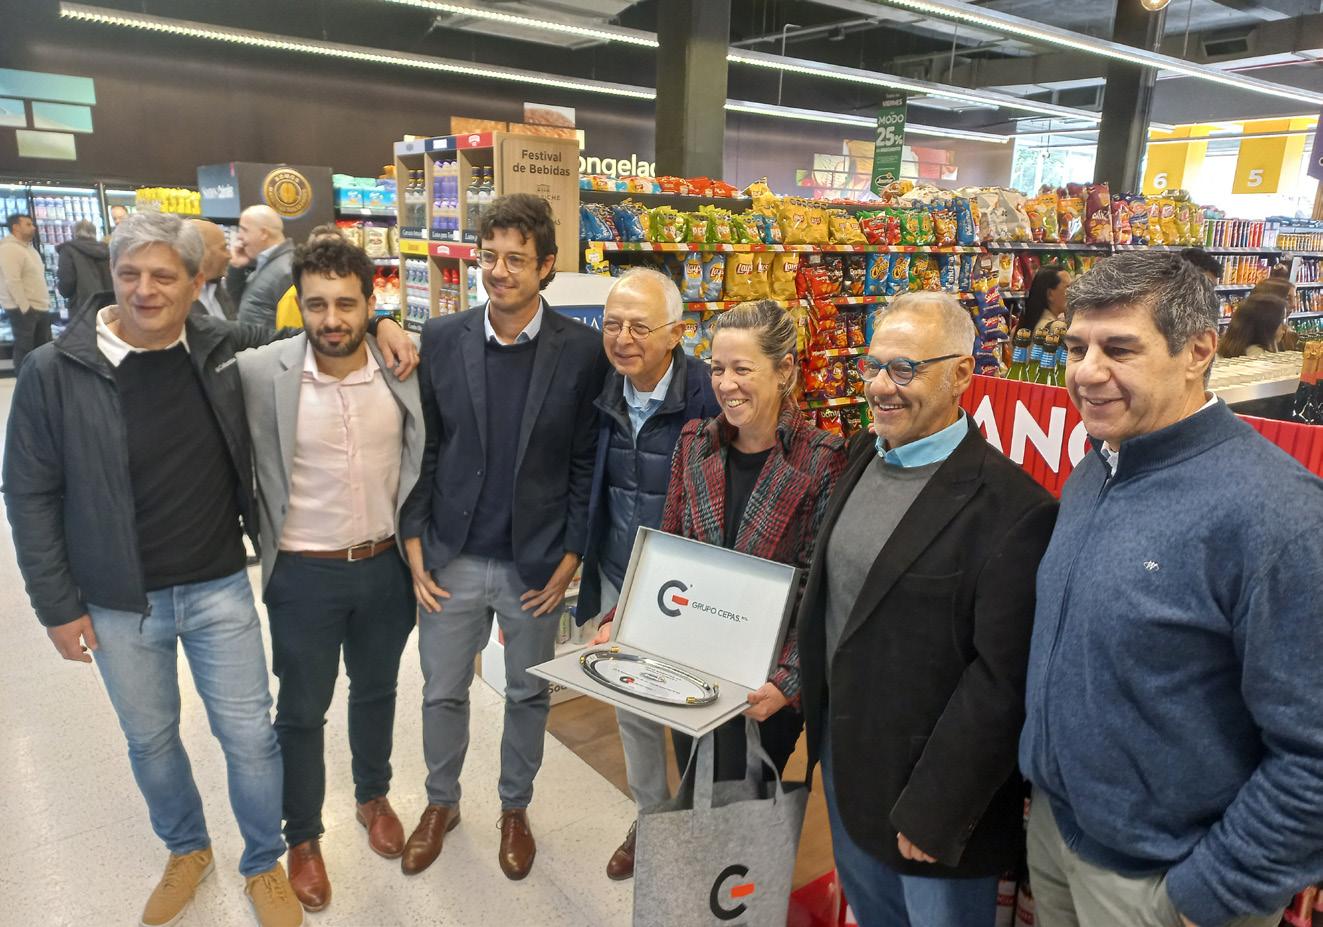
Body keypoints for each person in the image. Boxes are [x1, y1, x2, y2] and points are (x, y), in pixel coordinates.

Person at [1, 212, 417, 927]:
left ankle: (264, 862)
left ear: (197, 283)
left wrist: (385, 324)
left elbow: (322, 331)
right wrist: (56, 605)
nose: (146, 290)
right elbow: (30, 493)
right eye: (130, 273)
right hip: (118, 597)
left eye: (164, 275)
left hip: (218, 582)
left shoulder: (221, 349)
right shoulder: (54, 369)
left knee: (250, 736)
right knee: (152, 737)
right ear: (111, 276)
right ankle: (187, 848)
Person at [1020, 250, 1323, 927]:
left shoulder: (1279, 514)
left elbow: (1313, 751)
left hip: (1167, 881)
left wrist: (1215, 892)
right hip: (1060, 836)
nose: (1085, 371)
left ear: (1198, 351)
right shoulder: (1098, 467)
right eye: (1076, 347)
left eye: (1118, 348)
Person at [795, 292, 1056, 927]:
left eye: (905, 368)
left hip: (929, 802)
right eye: (873, 365)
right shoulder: (864, 455)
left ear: (961, 373)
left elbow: (1002, 682)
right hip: (848, 767)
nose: (881, 386)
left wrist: (939, 806)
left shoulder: (1014, 508)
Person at [400, 193, 608, 881]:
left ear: (546, 266)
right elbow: (425, 447)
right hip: (452, 556)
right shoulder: (442, 337)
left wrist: (571, 556)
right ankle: (441, 802)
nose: (498, 271)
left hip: (534, 564)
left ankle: (514, 807)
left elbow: (584, 462)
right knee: (441, 690)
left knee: (527, 693)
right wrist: (414, 542)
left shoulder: (582, 351)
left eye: (516, 259)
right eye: (489, 256)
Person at [237, 236, 422, 913]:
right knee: (300, 711)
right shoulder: (261, 371)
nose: (331, 319)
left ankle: (373, 795)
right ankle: (305, 836)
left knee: (376, 690)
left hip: (384, 567)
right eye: (316, 304)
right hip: (303, 573)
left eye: (347, 304)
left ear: (371, 303)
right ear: (300, 305)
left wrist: (389, 326)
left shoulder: (402, 366)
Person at [598, 299, 847, 781]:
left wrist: (790, 679)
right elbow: (669, 548)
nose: (726, 384)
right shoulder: (695, 442)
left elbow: (818, 588)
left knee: (746, 804)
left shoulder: (823, 459)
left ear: (784, 370)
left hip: (761, 681)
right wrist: (622, 620)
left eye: (742, 369)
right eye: (717, 368)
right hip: (688, 663)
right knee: (694, 784)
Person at [577, 266, 721, 881]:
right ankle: (652, 817)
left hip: (691, 584)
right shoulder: (600, 388)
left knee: (698, 709)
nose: (623, 338)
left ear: (677, 332)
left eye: (639, 326)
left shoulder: (710, 394)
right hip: (620, 574)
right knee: (631, 705)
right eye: (612, 324)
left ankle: (700, 823)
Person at [0, 212, 52, 372]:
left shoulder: (29, 249)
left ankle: (40, 381)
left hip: (39, 307)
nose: (33, 228)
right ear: (16, 227)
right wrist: (25, 308)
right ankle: (24, 382)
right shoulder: (9, 249)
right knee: (25, 350)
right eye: (28, 224)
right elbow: (12, 281)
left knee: (42, 350)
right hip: (24, 309)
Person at [232, 204, 294, 331]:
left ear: (264, 233)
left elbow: (292, 327)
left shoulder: (287, 270)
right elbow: (235, 303)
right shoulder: (267, 264)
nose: (239, 236)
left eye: (244, 230)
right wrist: (237, 267)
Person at [273, 224, 346, 330]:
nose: (329, 256)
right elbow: (291, 337)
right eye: (321, 250)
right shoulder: (292, 297)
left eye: (336, 251)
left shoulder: (358, 290)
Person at [56, 219, 112, 320]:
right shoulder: (106, 249)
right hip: (107, 305)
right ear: (94, 232)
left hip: (82, 307)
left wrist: (63, 291)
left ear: (75, 233)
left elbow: (67, 281)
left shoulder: (68, 250)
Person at [189, 219, 237, 320]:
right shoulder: (178, 299)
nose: (229, 256)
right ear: (202, 252)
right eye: (223, 248)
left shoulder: (218, 289)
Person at [1218, 293, 1287, 359]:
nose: (1285, 327)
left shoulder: (1223, 352)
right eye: (1281, 321)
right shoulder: (1262, 358)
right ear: (1267, 326)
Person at [1019, 265, 1071, 335]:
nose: (1072, 293)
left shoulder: (1021, 327)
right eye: (1068, 288)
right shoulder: (1058, 328)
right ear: (1050, 294)